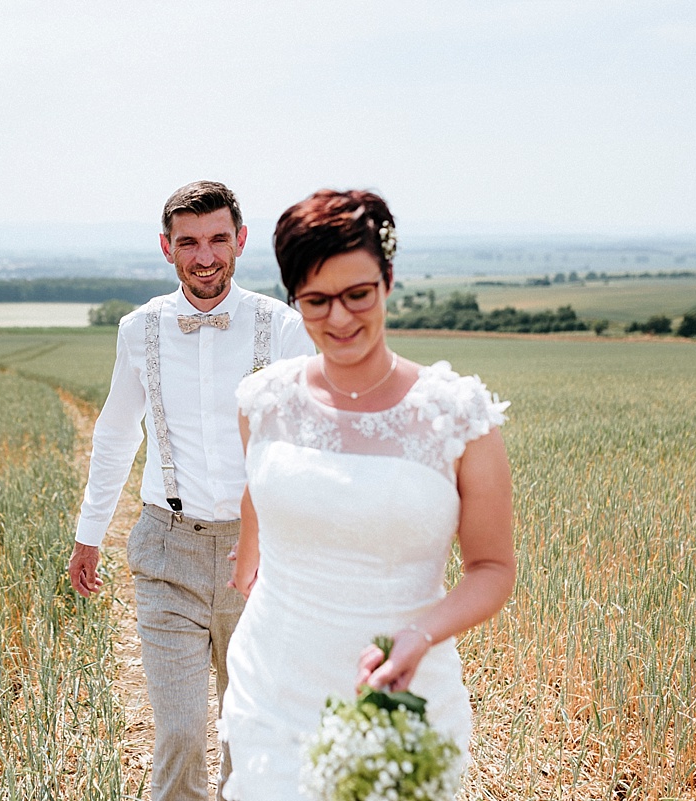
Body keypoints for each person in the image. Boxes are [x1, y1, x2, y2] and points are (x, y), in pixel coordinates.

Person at [218, 189, 515, 800]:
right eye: (316, 300)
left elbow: (492, 568)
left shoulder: (458, 415)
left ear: (388, 281)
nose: (340, 318)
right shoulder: (264, 401)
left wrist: (421, 635)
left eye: (358, 294)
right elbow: (260, 489)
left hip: (399, 687)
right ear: (293, 298)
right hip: (273, 685)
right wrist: (249, 553)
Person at [68, 180, 315, 801]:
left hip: (257, 559)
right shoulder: (138, 330)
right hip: (166, 550)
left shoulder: (282, 328)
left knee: (248, 732)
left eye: (217, 240)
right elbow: (117, 434)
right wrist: (88, 535)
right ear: (166, 248)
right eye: (189, 243)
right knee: (179, 731)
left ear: (240, 241)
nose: (205, 257)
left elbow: (308, 444)